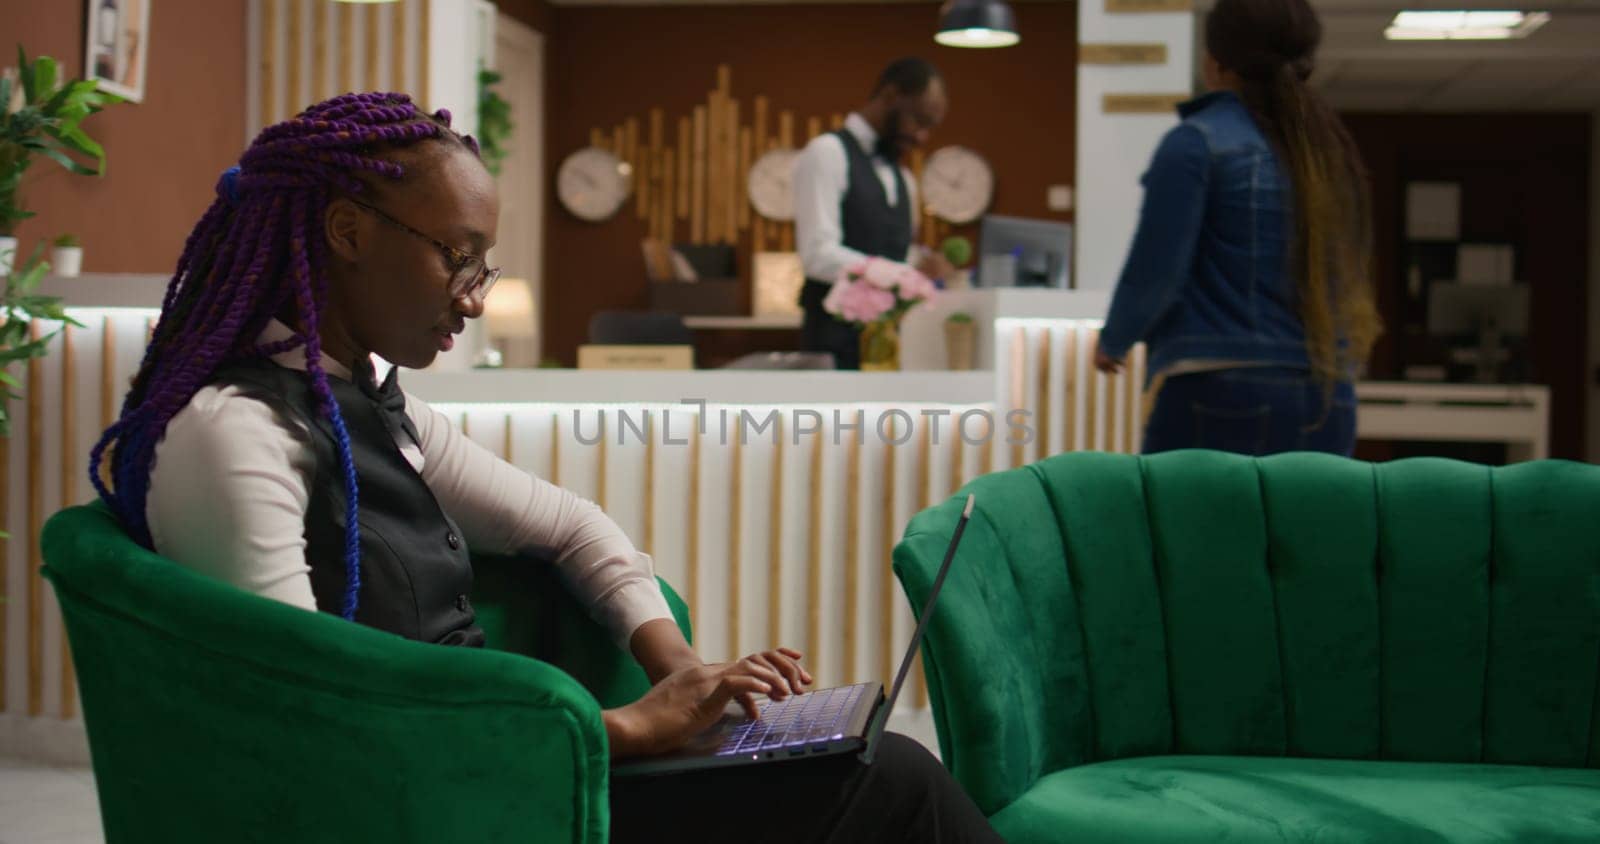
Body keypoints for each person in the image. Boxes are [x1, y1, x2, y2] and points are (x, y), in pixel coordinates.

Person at [88, 92, 998, 844]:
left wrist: (683, 675)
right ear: (347, 231)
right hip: (446, 808)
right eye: (459, 258)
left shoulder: (363, 402)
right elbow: (314, 717)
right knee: (894, 787)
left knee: (862, 770)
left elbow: (574, 526)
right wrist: (628, 732)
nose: (476, 299)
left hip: (503, 776)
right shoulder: (232, 434)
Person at [1094, 0, 1382, 456]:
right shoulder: (1328, 152)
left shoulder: (1197, 142)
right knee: (1306, 531)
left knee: (1182, 529)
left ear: (1215, 63)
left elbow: (1159, 266)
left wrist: (1115, 339)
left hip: (1222, 389)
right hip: (1330, 394)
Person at [793, 57, 955, 370]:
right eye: (918, 120)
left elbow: (897, 253)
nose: (922, 137)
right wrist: (897, 274)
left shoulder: (904, 179)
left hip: (889, 348)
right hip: (833, 346)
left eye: (929, 127)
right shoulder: (827, 153)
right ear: (891, 97)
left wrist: (920, 265)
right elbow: (817, 254)